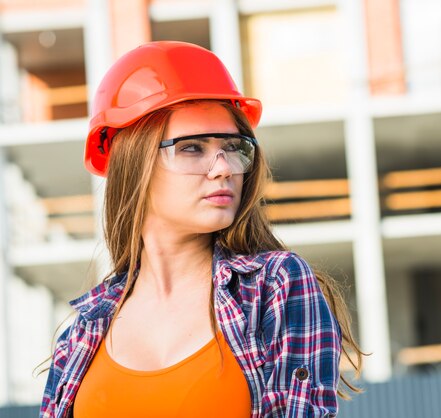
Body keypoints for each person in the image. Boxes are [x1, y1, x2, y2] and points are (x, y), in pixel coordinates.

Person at [38, 41, 366, 417]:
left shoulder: (274, 289)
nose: (224, 167)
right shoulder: (82, 332)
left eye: (233, 146)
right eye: (192, 148)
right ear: (134, 164)